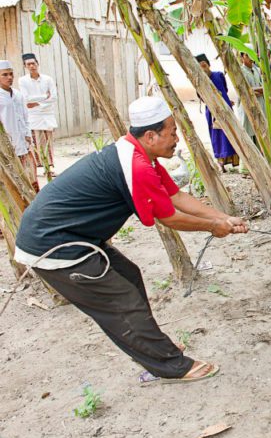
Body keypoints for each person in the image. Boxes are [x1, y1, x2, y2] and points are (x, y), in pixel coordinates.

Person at [13, 96, 249, 384]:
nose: (176, 139)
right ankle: (171, 366)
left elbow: (176, 196)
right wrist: (213, 227)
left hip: (74, 237)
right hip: (52, 246)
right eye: (172, 133)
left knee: (129, 275)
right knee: (122, 303)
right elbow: (169, 217)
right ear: (150, 136)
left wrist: (223, 218)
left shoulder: (138, 154)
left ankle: (150, 348)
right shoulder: (137, 166)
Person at [196, 54, 239, 172]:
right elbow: (201, 97)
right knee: (217, 138)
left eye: (204, 64)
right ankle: (221, 164)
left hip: (226, 110)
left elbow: (225, 90)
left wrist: (225, 101)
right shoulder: (199, 81)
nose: (203, 67)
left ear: (208, 64)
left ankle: (233, 160)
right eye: (200, 65)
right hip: (213, 113)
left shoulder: (219, 75)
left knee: (231, 135)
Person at [0, 59, 38, 191]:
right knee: (14, 181)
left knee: (30, 177)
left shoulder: (18, 94)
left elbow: (25, 117)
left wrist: (28, 134)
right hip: (7, 145)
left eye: (11, 74)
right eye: (5, 74)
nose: (9, 77)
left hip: (24, 142)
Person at [19, 53, 58, 176]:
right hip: (33, 116)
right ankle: (36, 170)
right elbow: (26, 99)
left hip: (47, 115)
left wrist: (37, 103)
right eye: (28, 64)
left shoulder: (47, 79)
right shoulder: (23, 81)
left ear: (37, 64)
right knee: (35, 143)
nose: (32, 66)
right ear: (25, 66)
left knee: (48, 143)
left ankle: (48, 169)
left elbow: (53, 97)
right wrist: (44, 96)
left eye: (33, 63)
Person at [236, 49, 265, 143]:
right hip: (247, 105)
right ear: (242, 57)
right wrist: (256, 91)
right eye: (247, 55)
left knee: (261, 132)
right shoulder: (240, 71)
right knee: (249, 133)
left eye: (251, 54)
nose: (250, 58)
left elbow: (265, 88)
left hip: (260, 103)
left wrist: (253, 91)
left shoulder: (257, 70)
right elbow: (244, 90)